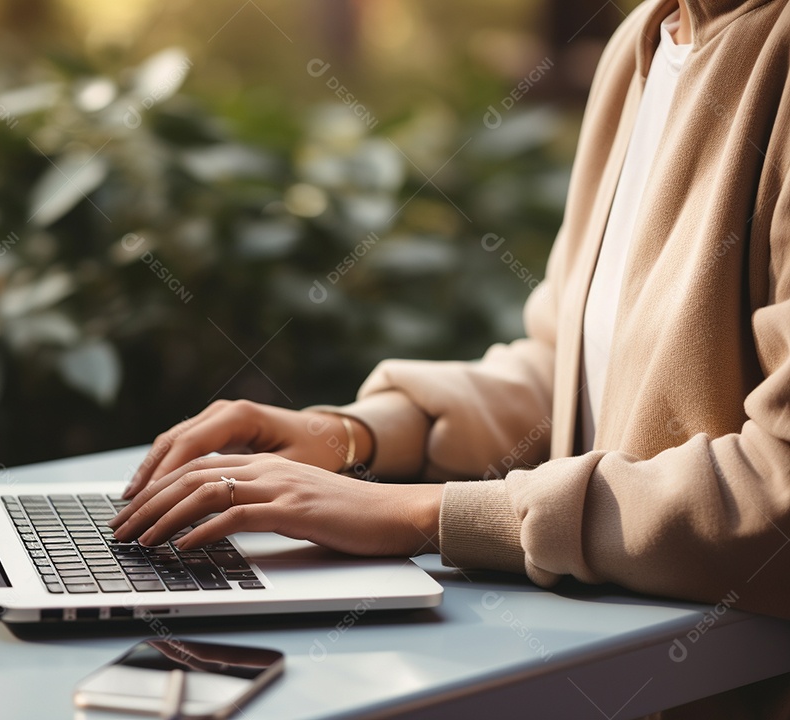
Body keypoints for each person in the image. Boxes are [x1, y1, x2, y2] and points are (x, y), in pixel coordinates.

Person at [111, 0, 790, 714]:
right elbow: (580, 378)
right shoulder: (643, 44)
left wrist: (424, 515)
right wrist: (358, 434)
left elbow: (776, 494)